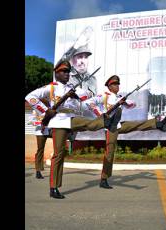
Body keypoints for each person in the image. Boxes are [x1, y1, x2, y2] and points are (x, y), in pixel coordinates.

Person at [25, 60, 118, 199]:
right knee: (59, 154)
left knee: (90, 124)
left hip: (72, 118)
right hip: (59, 121)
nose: (67, 74)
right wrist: (45, 111)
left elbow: (88, 94)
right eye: (63, 71)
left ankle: (107, 121)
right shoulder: (51, 88)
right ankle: (54, 187)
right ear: (56, 73)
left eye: (68, 71)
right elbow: (30, 97)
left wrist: (75, 95)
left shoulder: (72, 87)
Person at [84, 75, 166, 189]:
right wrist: (101, 115)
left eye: (118, 84)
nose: (117, 86)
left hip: (118, 124)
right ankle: (104, 179)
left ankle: (158, 124)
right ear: (109, 86)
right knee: (110, 152)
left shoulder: (119, 97)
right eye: (114, 84)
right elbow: (89, 103)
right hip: (110, 127)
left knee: (136, 124)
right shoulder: (104, 96)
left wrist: (123, 102)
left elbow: (132, 105)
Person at [59, 27, 97, 97]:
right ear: (72, 59)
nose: (83, 61)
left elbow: (94, 100)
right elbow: (62, 61)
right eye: (79, 57)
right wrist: (76, 45)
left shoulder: (92, 79)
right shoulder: (66, 75)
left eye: (86, 57)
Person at [27, 110, 51, 179]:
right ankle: (38, 170)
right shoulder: (36, 110)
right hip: (40, 132)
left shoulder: (49, 108)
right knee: (40, 149)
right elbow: (29, 122)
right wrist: (40, 123)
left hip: (51, 130)